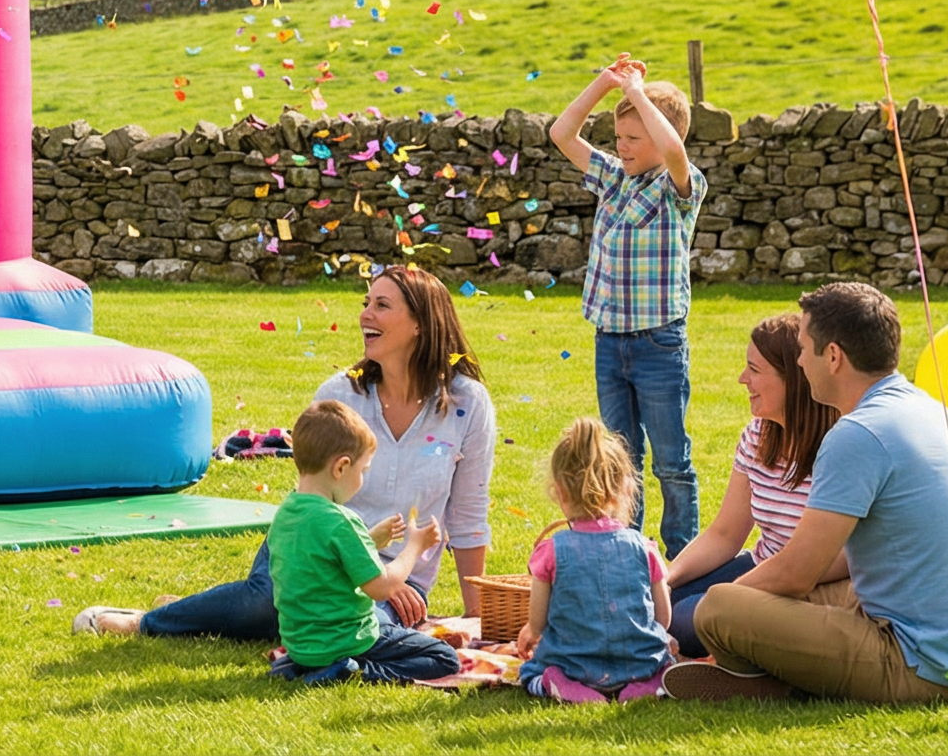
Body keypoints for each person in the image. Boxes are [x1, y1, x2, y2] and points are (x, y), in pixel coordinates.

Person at [78, 263, 495, 638]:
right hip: (314, 548)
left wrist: (477, 618)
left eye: (382, 305)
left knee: (359, 629)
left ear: (421, 323)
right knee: (268, 606)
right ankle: (145, 622)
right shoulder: (340, 396)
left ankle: (198, 609)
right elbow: (310, 495)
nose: (365, 315)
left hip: (397, 574)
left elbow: (468, 515)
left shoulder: (467, 404)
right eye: (366, 302)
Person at [672, 282, 948, 704]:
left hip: (925, 664)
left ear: (833, 356)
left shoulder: (857, 433)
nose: (799, 362)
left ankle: (768, 677)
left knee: (718, 609)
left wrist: (724, 605)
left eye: (802, 350)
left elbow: (796, 572)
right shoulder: (925, 407)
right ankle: (770, 671)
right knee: (766, 602)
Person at [551, 54, 704, 558]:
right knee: (622, 457)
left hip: (659, 343)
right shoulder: (614, 177)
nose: (622, 147)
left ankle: (682, 560)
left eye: (634, 139)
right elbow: (562, 133)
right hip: (609, 341)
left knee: (670, 461)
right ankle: (628, 552)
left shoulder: (679, 186)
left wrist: (638, 92)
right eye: (619, 138)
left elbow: (674, 149)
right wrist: (607, 82)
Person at [659, 313, 840, 656]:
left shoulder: (838, 445)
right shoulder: (757, 435)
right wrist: (665, 579)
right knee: (660, 603)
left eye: (755, 370)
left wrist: (729, 599)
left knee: (683, 620)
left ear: (795, 379)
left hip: (801, 584)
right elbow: (725, 533)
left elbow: (825, 563)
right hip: (761, 563)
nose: (743, 379)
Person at [259, 401, 458, 686]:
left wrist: (371, 540)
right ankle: (354, 671)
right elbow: (381, 587)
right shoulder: (341, 521)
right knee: (443, 658)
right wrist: (415, 545)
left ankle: (299, 666)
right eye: (363, 470)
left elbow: (323, 562)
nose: (362, 479)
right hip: (347, 640)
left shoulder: (287, 513)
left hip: (302, 642)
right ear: (341, 467)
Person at [513, 419, 675, 703]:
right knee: (666, 664)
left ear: (560, 492)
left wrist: (531, 631)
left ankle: (560, 683)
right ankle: (644, 686)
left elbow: (537, 622)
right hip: (637, 664)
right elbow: (663, 618)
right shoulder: (644, 547)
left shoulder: (551, 550)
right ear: (623, 488)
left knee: (530, 673)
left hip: (572, 664)